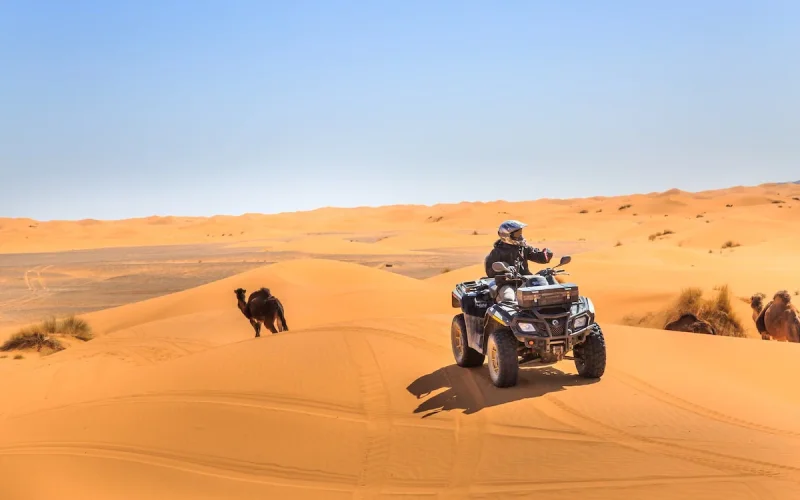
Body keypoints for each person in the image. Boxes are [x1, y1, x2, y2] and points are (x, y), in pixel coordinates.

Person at [484, 220, 553, 303]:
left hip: (527, 281)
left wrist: (545, 255)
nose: (520, 236)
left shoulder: (523, 248)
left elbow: (537, 256)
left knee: (549, 293)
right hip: (507, 283)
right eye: (517, 234)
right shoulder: (497, 252)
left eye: (520, 233)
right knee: (508, 297)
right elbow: (490, 272)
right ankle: (502, 313)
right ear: (506, 235)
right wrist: (505, 269)